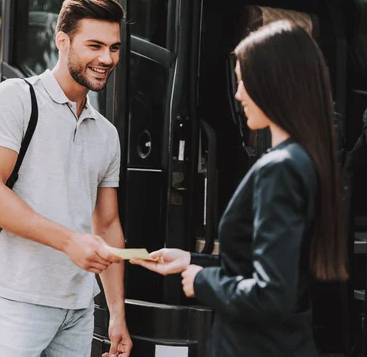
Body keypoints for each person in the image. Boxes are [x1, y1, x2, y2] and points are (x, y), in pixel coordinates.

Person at [131, 21, 348, 356]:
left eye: (244, 81)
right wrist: (191, 260)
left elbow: (271, 294)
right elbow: (265, 269)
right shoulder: (304, 159)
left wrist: (201, 281)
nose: (238, 93)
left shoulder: (281, 169)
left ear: (273, 83)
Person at [0, 0, 132, 357]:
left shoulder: (106, 134)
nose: (106, 58)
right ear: (62, 40)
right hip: (14, 299)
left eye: (115, 47)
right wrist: (69, 241)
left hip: (78, 308)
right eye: (94, 45)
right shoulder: (14, 98)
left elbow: (106, 224)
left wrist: (117, 314)